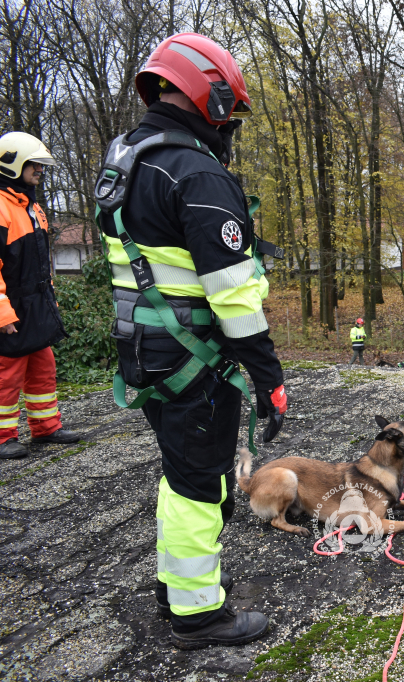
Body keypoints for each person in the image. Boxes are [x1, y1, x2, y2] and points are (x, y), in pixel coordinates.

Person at [94, 33, 286, 648]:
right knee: (198, 486)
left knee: (183, 473)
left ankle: (175, 587)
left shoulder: (126, 158)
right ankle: (198, 615)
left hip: (145, 354)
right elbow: (232, 296)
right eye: (229, 110)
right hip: (194, 362)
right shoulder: (195, 172)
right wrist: (268, 378)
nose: (230, 124)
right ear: (211, 92)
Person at [0, 132, 81, 459]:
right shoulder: (3, 208)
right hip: (12, 309)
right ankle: (4, 437)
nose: (40, 170)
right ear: (13, 164)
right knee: (7, 375)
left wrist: (49, 302)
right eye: (34, 164)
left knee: (43, 369)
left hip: (36, 306)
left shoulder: (31, 206)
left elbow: (39, 265)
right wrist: (3, 314)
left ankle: (46, 428)